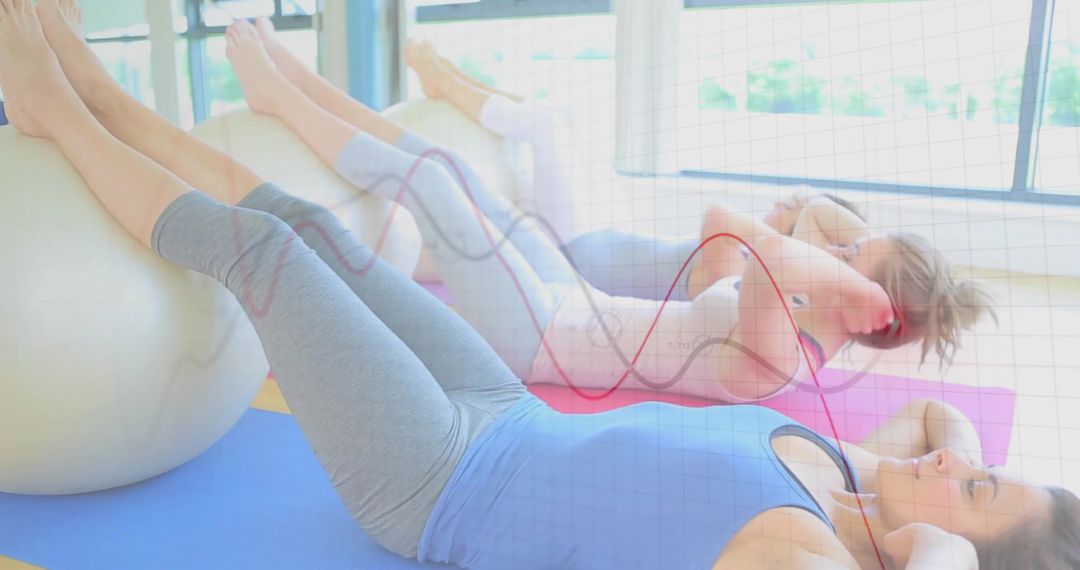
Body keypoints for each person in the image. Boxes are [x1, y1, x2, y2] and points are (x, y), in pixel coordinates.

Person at [5, 1, 1077, 568]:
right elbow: (937, 413)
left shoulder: (805, 558)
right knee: (317, 228)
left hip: (434, 482)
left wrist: (937, 555)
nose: (947, 457)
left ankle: (55, 107)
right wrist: (962, 482)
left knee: (265, 255)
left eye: (973, 492)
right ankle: (107, 98)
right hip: (502, 412)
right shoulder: (852, 470)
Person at [244, 19, 990, 403]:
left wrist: (855, 281)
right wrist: (859, 267)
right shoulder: (800, 309)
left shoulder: (781, 361)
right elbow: (748, 232)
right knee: (455, 169)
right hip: (571, 299)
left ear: (869, 313)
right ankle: (297, 83)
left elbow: (757, 251)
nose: (841, 251)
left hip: (537, 338)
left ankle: (281, 96)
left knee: (432, 185)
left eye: (855, 257)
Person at [405, 40, 871, 302]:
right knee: (565, 116)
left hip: (583, 255)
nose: (782, 204)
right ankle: (450, 78)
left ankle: (443, 79)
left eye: (792, 212)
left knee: (544, 127)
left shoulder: (745, 279)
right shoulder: (755, 263)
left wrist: (818, 242)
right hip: (609, 235)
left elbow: (718, 217)